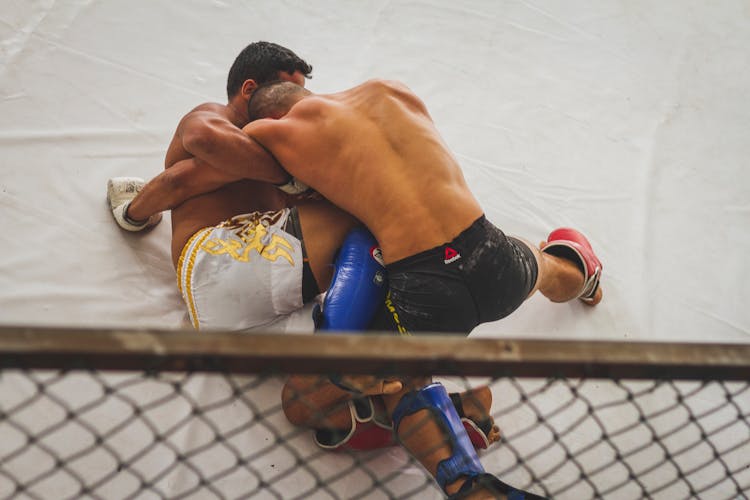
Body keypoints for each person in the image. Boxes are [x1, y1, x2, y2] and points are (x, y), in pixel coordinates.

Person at [105, 42, 500, 471]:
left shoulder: (297, 145)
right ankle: (369, 382)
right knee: (375, 213)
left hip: (258, 314)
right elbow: (188, 166)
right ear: (248, 90)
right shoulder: (216, 118)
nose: (294, 108)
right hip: (217, 265)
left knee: (379, 352)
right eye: (284, 92)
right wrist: (133, 212)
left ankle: (415, 438)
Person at [230, 79, 604, 498]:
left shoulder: (272, 131)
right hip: (489, 254)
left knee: (306, 400)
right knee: (542, 267)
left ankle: (463, 478)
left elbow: (218, 150)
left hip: (427, 296)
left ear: (271, 112)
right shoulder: (389, 92)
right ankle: (582, 270)